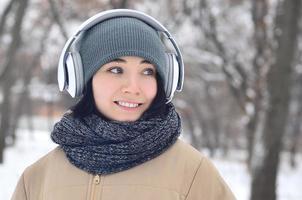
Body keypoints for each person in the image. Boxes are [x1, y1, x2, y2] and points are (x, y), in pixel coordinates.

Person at [11, 9, 235, 200]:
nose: (133, 87)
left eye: (148, 71)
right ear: (82, 78)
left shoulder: (193, 172)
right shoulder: (37, 178)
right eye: (116, 70)